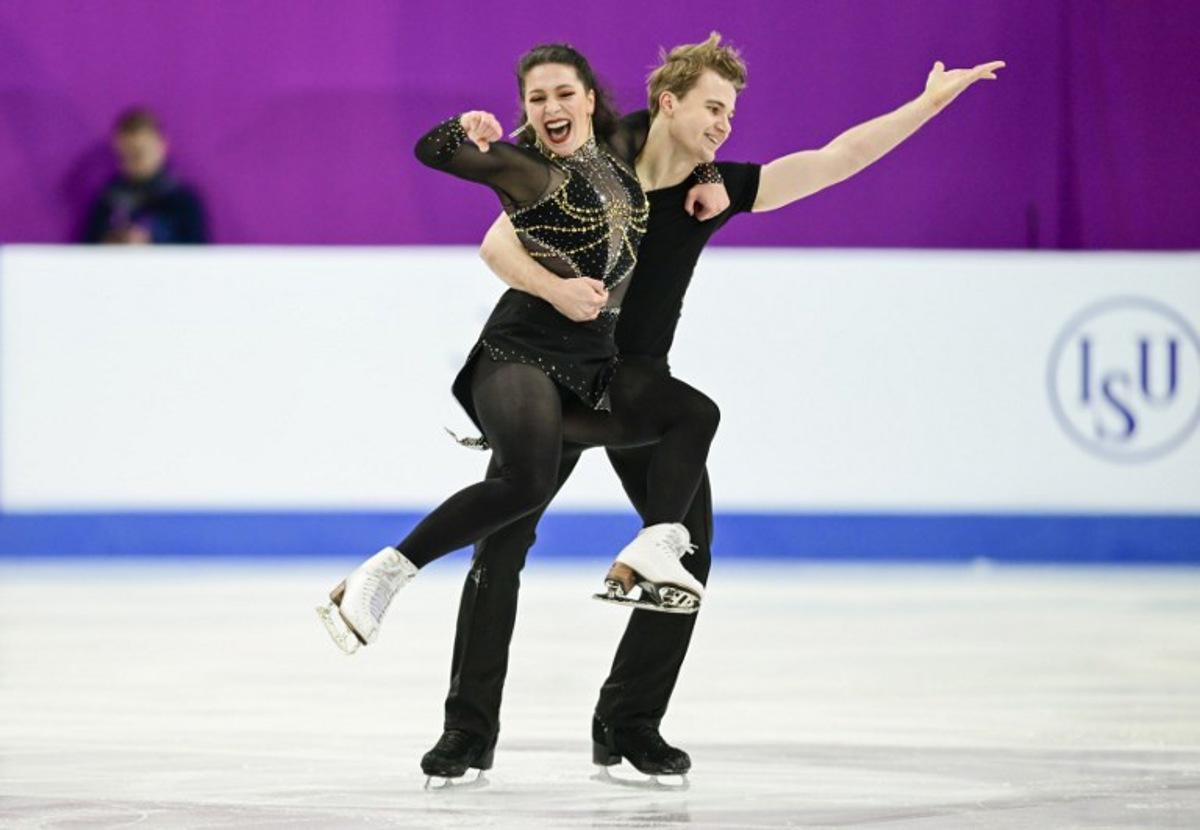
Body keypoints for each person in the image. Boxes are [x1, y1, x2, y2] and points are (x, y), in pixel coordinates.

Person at [432, 34, 1005, 782]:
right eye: (713, 108)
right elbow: (496, 243)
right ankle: (467, 732)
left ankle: (628, 721)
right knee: (500, 546)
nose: (725, 124)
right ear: (668, 104)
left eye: (730, 112)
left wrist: (926, 105)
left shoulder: (717, 189)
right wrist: (558, 292)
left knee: (685, 546)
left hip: (638, 386)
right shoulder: (589, 164)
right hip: (554, 371)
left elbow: (836, 159)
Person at [315, 43, 728, 738]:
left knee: (694, 413)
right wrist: (465, 128)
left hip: (594, 367)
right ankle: (383, 578)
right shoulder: (529, 170)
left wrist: (710, 172)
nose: (551, 108)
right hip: (520, 353)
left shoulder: (621, 146)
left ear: (590, 99)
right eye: (537, 99)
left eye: (563, 93)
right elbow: (434, 152)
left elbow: (675, 128)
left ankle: (657, 545)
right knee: (524, 484)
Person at [83, 107, 208, 244]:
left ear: (161, 146)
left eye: (139, 153)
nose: (132, 161)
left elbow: (197, 250)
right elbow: (88, 248)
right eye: (124, 155)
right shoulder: (109, 199)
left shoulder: (182, 201)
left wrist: (151, 242)